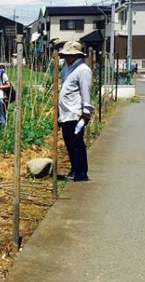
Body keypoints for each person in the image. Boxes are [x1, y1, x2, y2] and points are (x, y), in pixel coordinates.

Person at [58, 41, 93, 182]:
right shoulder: (68, 69)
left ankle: (81, 172)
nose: (66, 57)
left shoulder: (83, 70)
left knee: (77, 143)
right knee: (69, 143)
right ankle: (74, 169)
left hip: (76, 113)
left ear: (76, 55)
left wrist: (86, 112)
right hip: (66, 113)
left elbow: (85, 92)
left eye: (69, 55)